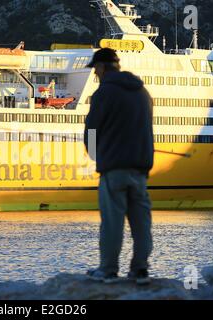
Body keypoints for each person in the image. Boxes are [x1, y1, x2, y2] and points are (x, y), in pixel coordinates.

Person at [84, 48, 154, 285]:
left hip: (114, 168)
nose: (95, 74)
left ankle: (108, 269)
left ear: (102, 67)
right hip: (141, 169)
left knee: (112, 221)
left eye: (95, 69)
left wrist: (94, 154)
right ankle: (140, 270)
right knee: (141, 222)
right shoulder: (143, 92)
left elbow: (92, 129)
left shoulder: (104, 93)